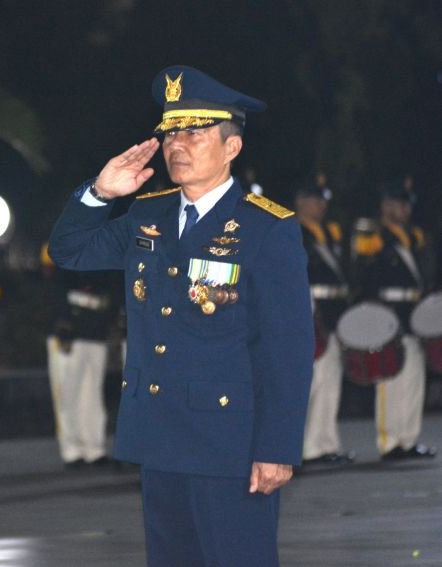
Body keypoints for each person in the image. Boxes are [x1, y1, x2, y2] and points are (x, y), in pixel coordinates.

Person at [48, 65, 314, 566]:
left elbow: (286, 345)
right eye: (171, 132)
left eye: (194, 132)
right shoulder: (148, 215)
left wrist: (277, 446)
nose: (177, 143)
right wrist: (99, 194)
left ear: (231, 147)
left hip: (229, 445)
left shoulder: (265, 228)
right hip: (159, 437)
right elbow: (69, 252)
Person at [351, 177, 436, 461]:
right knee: (390, 378)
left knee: (414, 379)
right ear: (386, 206)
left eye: (405, 205)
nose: (404, 210)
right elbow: (363, 274)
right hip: (386, 312)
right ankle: (389, 442)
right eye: (398, 204)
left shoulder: (415, 237)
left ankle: (408, 439)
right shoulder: (374, 235)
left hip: (413, 313)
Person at [294, 180, 354, 467]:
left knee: (330, 380)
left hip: (332, 314)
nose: (322, 207)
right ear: (301, 201)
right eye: (316, 200)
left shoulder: (327, 235)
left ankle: (323, 444)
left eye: (323, 202)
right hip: (309, 314)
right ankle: (304, 446)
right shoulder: (293, 231)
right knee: (311, 382)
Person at [46, 270, 115, 469]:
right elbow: (53, 287)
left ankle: (94, 448)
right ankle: (72, 450)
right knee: (67, 393)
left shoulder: (100, 256)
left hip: (95, 332)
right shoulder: (66, 253)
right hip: (69, 334)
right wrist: (62, 320)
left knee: (92, 394)